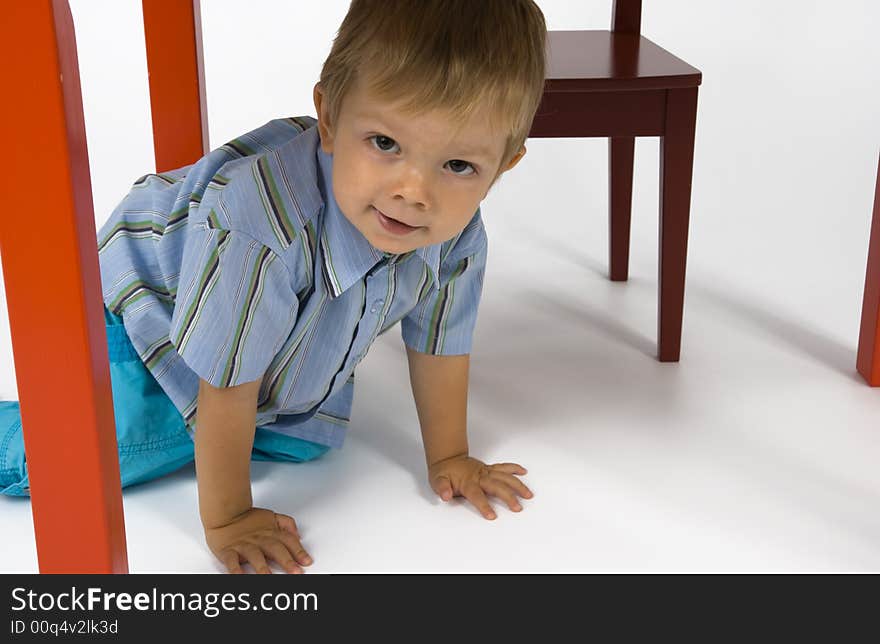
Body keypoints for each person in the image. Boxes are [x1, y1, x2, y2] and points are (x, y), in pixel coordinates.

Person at [0, 0, 548, 574]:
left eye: (458, 166)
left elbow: (440, 345)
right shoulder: (261, 229)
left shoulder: (456, 235)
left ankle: (219, 433)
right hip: (142, 304)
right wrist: (229, 517)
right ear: (330, 119)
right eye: (385, 144)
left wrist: (451, 455)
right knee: (87, 453)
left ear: (505, 165)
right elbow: (229, 382)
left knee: (306, 437)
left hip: (254, 323)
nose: (414, 192)